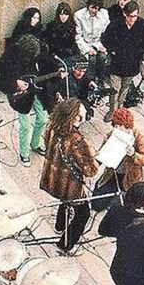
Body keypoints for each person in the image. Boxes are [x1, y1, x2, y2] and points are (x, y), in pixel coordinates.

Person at [0, 34, 58, 167]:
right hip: (20, 96)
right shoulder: (10, 56)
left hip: (37, 91)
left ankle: (35, 143)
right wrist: (15, 83)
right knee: (25, 126)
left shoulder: (40, 50)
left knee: (43, 119)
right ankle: (24, 153)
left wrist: (57, 73)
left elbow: (48, 67)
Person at [40, 98, 99, 251]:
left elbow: (47, 145)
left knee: (64, 201)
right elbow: (91, 171)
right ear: (74, 118)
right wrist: (95, 157)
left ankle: (60, 225)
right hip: (71, 184)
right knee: (83, 213)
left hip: (54, 178)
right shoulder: (78, 141)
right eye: (81, 115)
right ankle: (65, 244)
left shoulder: (52, 127)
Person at [100, 0, 144, 122]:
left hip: (131, 64)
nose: (133, 19)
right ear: (125, 14)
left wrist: (138, 53)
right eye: (131, 16)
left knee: (125, 88)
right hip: (117, 63)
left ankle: (120, 109)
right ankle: (112, 112)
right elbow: (106, 39)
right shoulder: (115, 24)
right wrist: (114, 51)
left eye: (135, 16)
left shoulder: (141, 24)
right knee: (115, 89)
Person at [94, 108, 144, 206]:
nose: (117, 128)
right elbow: (100, 154)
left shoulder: (138, 138)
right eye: (115, 125)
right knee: (97, 202)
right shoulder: (112, 134)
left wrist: (134, 155)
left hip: (129, 177)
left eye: (119, 125)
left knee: (125, 205)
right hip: (113, 173)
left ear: (127, 124)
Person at [110, 0, 144, 95]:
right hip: (119, 48)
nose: (123, 2)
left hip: (132, 50)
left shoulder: (138, 19)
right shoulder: (113, 12)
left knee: (137, 60)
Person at [74, 0, 111, 96]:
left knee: (103, 57)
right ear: (88, 6)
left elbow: (106, 32)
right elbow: (78, 36)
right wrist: (87, 49)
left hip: (97, 42)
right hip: (85, 43)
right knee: (92, 59)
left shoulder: (104, 14)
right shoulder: (79, 15)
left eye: (97, 9)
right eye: (92, 8)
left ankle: (101, 80)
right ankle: (89, 82)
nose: (94, 11)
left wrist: (102, 45)